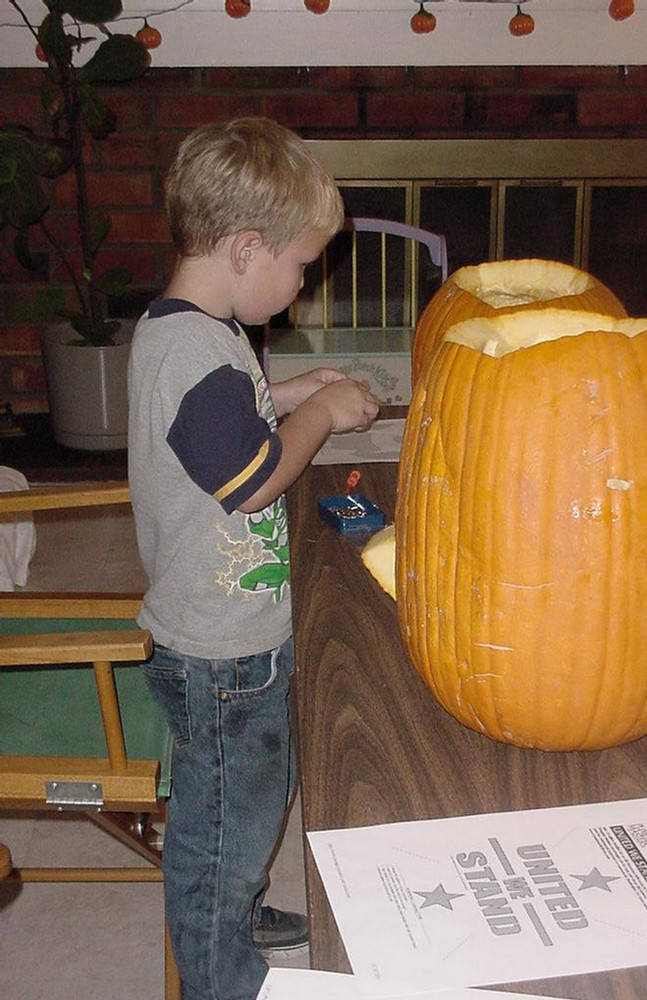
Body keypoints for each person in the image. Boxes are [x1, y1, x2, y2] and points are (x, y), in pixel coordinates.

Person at [127, 117, 379, 1000]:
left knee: (251, 801)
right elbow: (253, 477)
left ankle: (229, 904)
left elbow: (226, 420)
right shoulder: (196, 354)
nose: (305, 281)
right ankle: (217, 959)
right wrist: (321, 418)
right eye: (301, 264)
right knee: (228, 819)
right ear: (246, 248)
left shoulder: (196, 329)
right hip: (221, 655)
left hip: (224, 636)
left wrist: (292, 391)